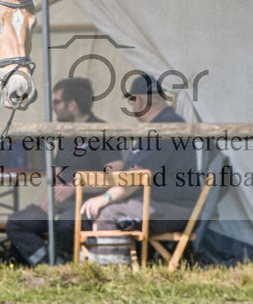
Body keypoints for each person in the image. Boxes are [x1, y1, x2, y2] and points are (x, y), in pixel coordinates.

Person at [78, 73, 203, 264]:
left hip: (176, 208)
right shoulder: (160, 125)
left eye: (132, 101)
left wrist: (105, 197)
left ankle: (111, 277)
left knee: (110, 214)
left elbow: (137, 177)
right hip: (161, 205)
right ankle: (93, 267)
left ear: (140, 101)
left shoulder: (166, 126)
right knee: (89, 211)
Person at [4, 77, 122, 266]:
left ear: (72, 104)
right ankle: (48, 264)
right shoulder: (67, 133)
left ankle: (65, 265)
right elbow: (57, 170)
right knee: (17, 223)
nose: (53, 107)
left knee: (66, 224)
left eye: (56, 102)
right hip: (60, 205)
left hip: (87, 206)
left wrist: (76, 188)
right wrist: (49, 195)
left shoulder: (101, 131)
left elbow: (115, 176)